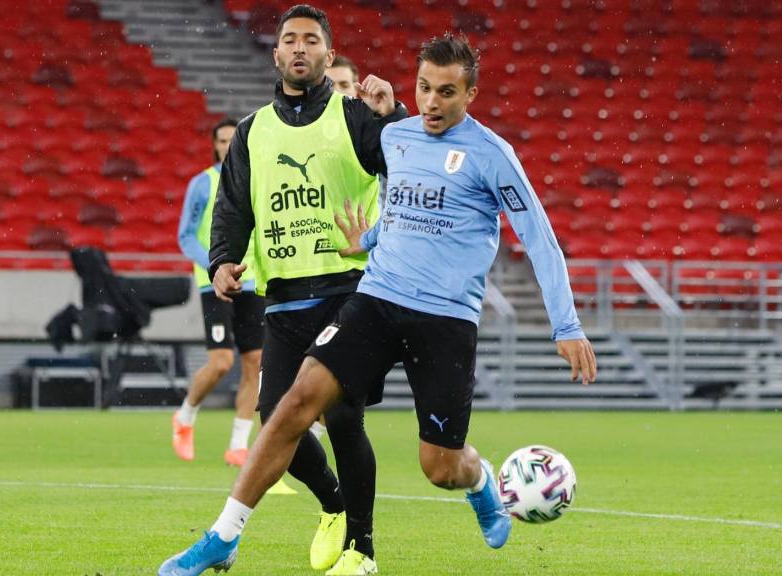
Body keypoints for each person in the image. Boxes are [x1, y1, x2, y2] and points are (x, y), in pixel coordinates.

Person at [159, 32, 596, 576]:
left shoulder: (492, 156)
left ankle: (479, 480)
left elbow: (540, 240)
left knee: (439, 466)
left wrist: (566, 325)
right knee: (295, 403)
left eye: (446, 92)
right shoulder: (398, 136)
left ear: (471, 94)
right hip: (377, 299)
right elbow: (404, 209)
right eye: (424, 88)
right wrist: (366, 240)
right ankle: (224, 536)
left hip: (445, 318)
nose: (432, 102)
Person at [159, 5, 407, 575]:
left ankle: (362, 550)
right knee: (276, 419)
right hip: (284, 299)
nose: (300, 47)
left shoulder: (355, 116)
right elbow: (232, 206)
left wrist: (394, 115)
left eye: (311, 40)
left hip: (348, 292)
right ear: (275, 54)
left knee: (342, 417)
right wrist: (223, 260)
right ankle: (335, 505)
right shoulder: (252, 132)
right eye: (290, 39)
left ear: (328, 53)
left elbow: (409, 164)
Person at [174, 117, 262, 467]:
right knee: (222, 362)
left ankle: (238, 445)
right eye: (222, 141)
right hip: (215, 283)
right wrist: (215, 266)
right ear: (214, 145)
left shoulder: (258, 180)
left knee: (254, 363)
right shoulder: (203, 184)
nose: (228, 146)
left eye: (233, 140)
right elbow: (186, 236)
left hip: (253, 281)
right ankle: (185, 415)